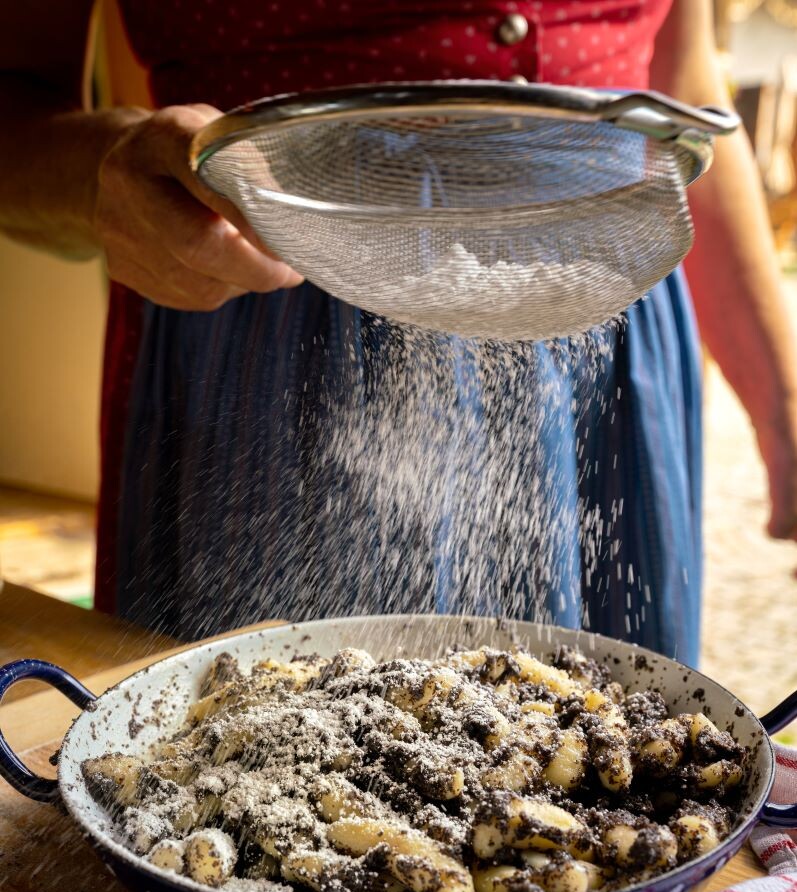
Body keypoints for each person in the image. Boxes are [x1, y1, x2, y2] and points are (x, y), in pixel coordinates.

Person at [2, 0, 796, 666]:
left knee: (608, 780)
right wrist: (106, 166)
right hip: (277, 329)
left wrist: (782, 405)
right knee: (264, 790)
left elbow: (681, 91)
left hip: (601, 339)